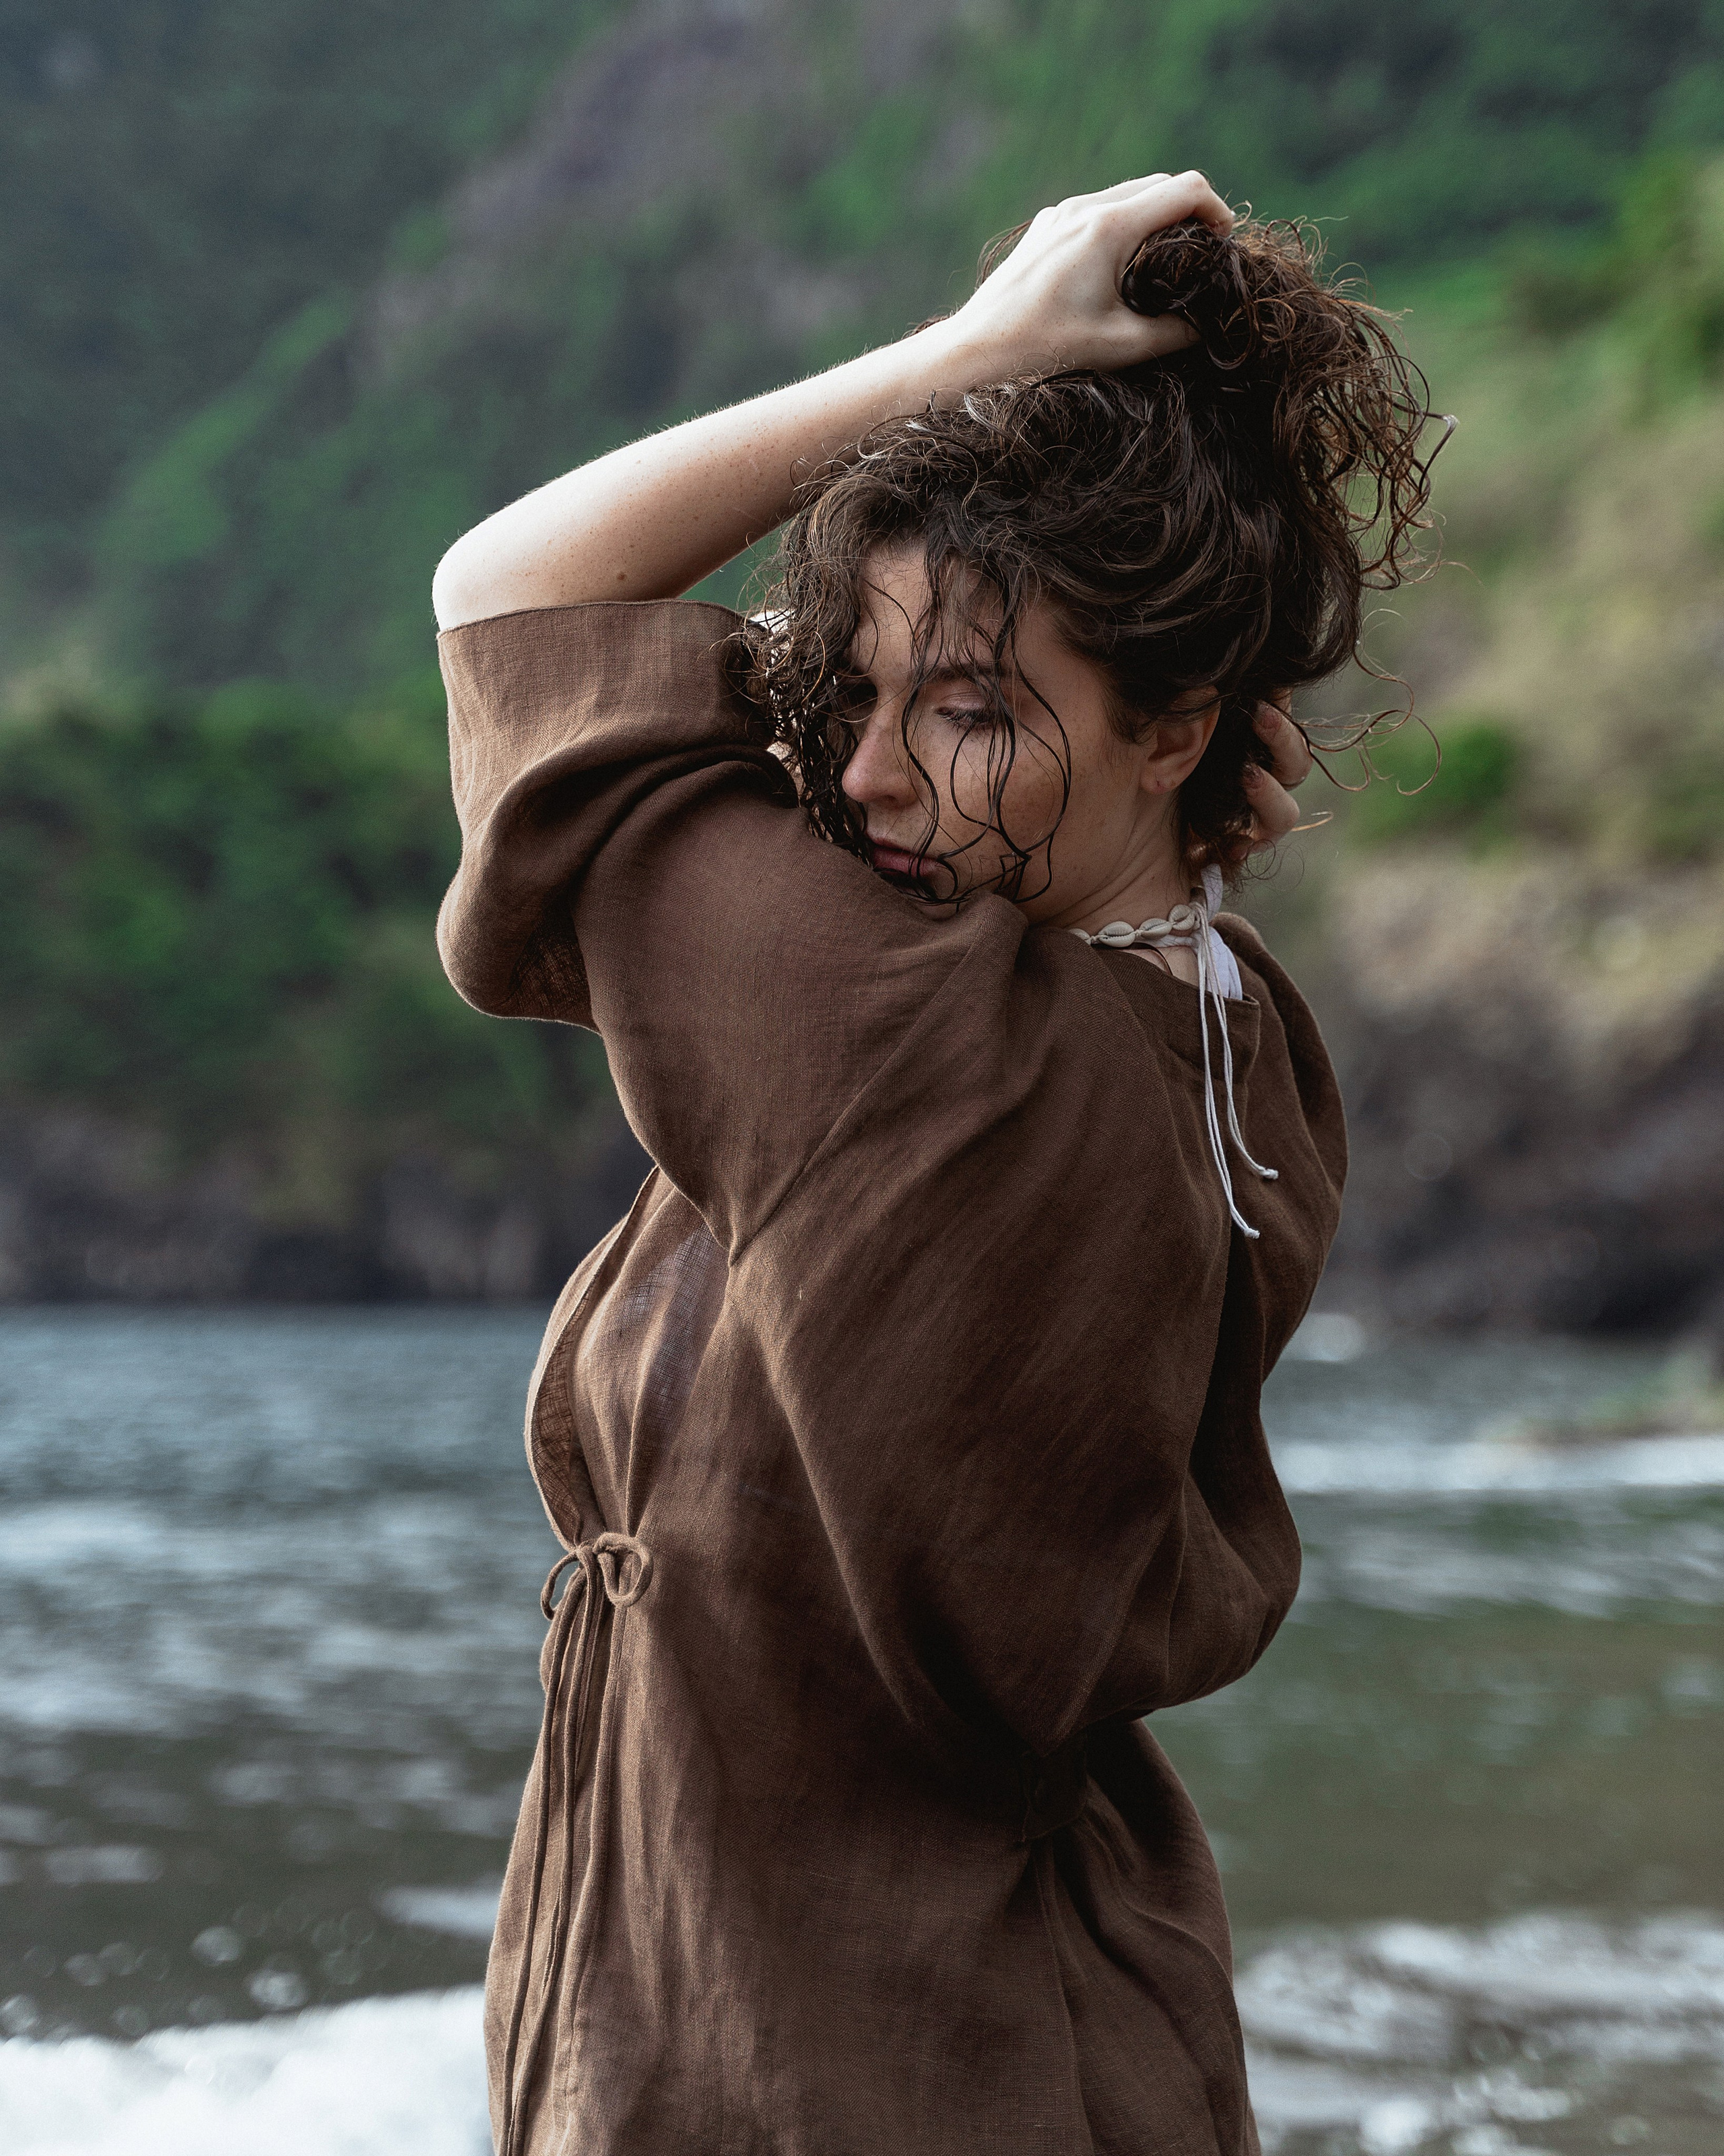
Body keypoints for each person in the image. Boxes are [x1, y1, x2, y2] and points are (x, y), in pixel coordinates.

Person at [432, 170, 1432, 2156]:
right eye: (858, 691)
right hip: (1010, 2013)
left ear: (1179, 729)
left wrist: (960, 364)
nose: (872, 773)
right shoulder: (1226, 1031)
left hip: (845, 2058)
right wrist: (998, 703)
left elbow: (513, 600)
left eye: (971, 712)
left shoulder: (910, 1035)